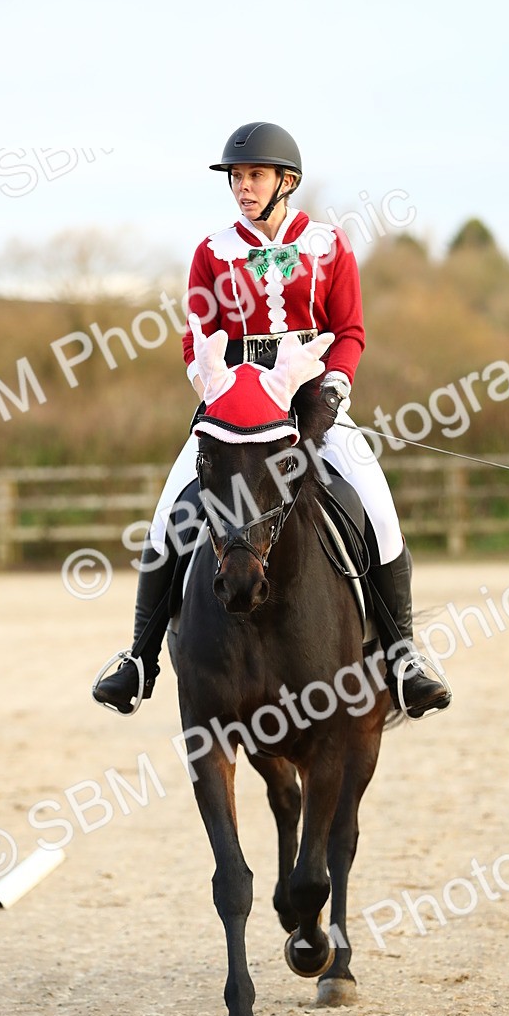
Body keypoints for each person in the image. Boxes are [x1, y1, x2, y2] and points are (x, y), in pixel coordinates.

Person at [93, 122, 451, 719]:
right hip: (234, 411)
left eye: (254, 175)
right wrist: (211, 386)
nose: (243, 186)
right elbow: (197, 336)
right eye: (236, 177)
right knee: (167, 516)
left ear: (287, 181)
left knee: (378, 510)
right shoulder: (212, 252)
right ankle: (138, 658)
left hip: (313, 405)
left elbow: (350, 331)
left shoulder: (331, 246)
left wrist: (334, 389)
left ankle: (403, 656)